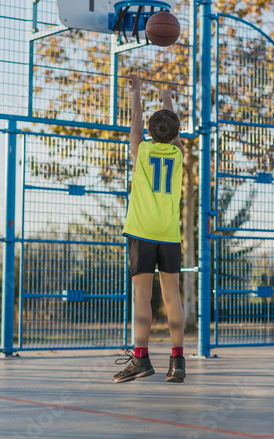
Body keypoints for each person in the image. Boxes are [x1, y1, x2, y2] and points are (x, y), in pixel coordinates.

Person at [113, 74, 186, 384]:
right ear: (176, 134)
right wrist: (167, 97)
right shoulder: (179, 152)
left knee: (142, 297)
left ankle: (141, 360)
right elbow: (171, 127)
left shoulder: (141, 152)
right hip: (169, 235)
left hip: (142, 233)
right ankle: (178, 361)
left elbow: (135, 120)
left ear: (150, 133)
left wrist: (137, 91)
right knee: (173, 297)